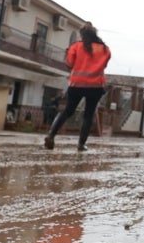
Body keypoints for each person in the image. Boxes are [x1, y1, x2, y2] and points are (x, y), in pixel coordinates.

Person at [44, 23, 111, 151]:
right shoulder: (105, 49)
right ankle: (81, 144)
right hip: (95, 86)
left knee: (67, 111)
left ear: (82, 35)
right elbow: (104, 65)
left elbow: (69, 64)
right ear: (95, 34)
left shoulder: (76, 47)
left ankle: (51, 135)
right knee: (88, 115)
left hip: (76, 84)